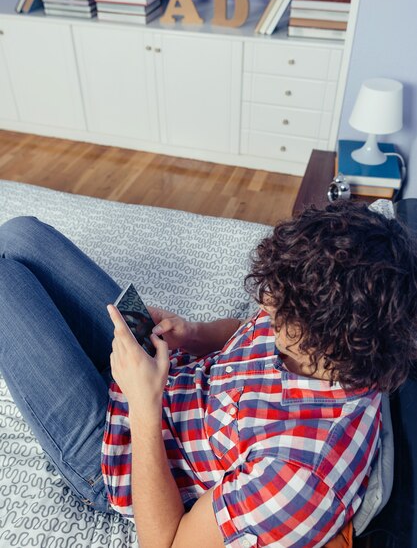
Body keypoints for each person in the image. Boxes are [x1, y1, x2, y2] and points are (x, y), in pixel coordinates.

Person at [0, 201, 416, 548]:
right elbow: (245, 333)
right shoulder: (332, 332)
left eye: (280, 308)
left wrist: (144, 405)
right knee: (21, 233)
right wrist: (193, 334)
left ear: (327, 340)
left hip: (117, 453)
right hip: (162, 371)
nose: (266, 301)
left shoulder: (295, 480)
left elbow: (167, 542)